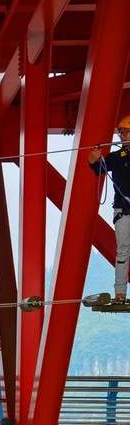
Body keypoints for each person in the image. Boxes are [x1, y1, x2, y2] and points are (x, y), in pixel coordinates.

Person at [89, 116, 130, 302]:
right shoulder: (116, 157)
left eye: (125, 132)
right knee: (122, 251)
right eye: (121, 133)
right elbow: (99, 168)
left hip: (123, 210)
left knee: (123, 251)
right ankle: (120, 292)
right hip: (123, 210)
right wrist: (93, 160)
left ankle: (120, 291)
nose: (122, 136)